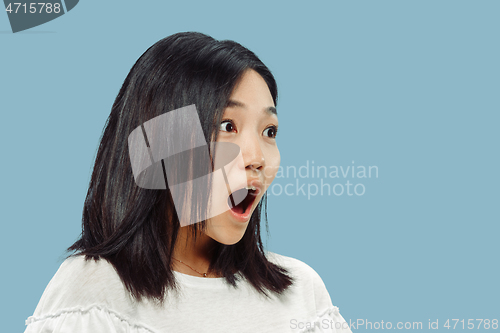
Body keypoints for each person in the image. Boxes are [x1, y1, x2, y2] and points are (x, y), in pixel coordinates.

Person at [24, 32, 352, 333]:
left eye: (269, 131)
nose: (257, 158)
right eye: (227, 125)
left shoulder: (301, 293)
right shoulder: (94, 292)